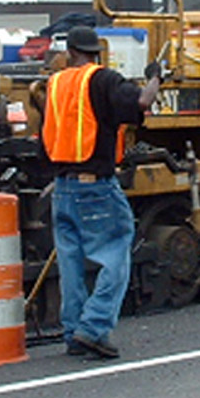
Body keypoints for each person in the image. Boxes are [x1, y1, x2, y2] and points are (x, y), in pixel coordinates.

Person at [41, 25, 161, 359]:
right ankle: (93, 329)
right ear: (97, 52)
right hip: (95, 187)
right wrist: (155, 77)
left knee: (71, 265)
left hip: (61, 187)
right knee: (116, 255)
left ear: (69, 51)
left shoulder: (55, 83)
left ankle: (73, 331)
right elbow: (141, 101)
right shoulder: (103, 79)